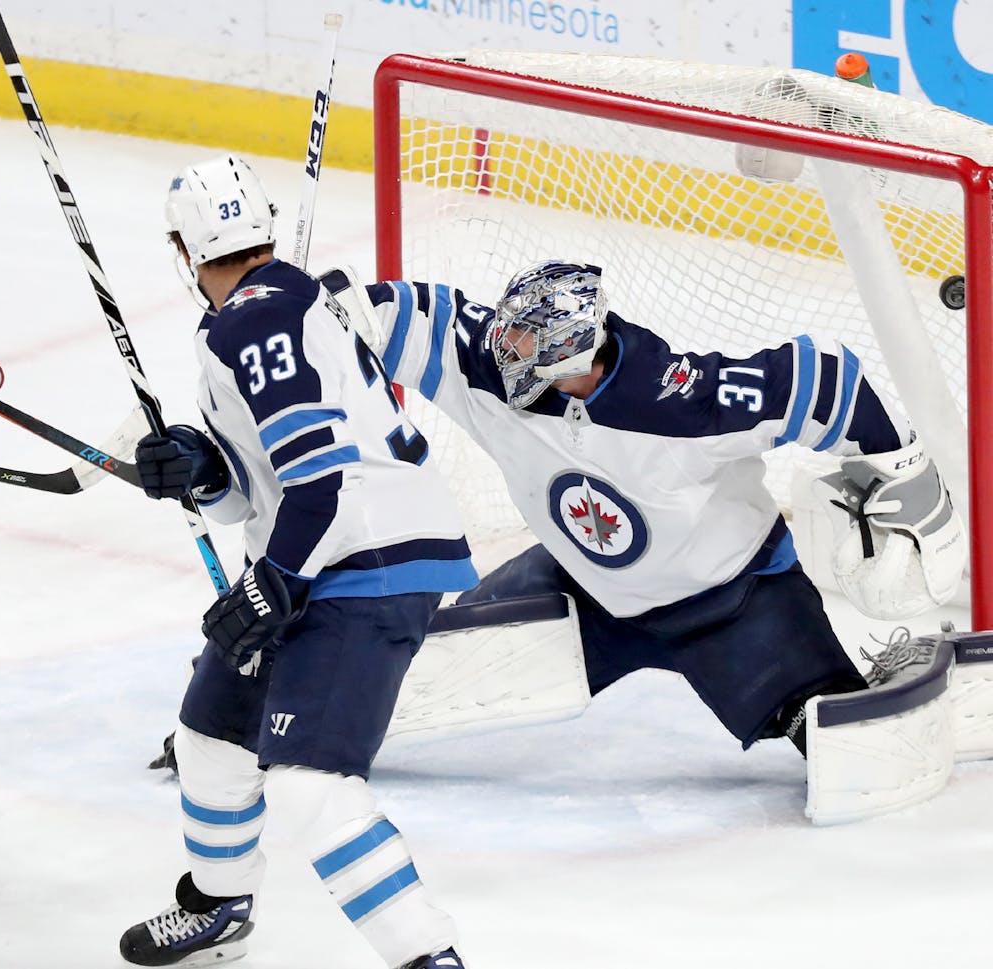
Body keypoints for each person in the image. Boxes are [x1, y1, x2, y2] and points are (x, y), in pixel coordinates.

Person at [323, 258, 965, 757]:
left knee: (844, 745)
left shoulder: (679, 403)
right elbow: (405, 314)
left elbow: (827, 382)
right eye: (509, 334)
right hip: (586, 590)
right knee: (436, 663)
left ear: (573, 353)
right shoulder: (488, 367)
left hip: (736, 604)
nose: (505, 350)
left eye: (526, 342)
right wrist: (321, 312)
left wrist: (904, 471)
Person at [122, 153, 477, 969]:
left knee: (310, 782)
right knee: (211, 733)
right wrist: (201, 466)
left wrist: (275, 582)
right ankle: (219, 903)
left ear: (184, 248)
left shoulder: (253, 320)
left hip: (364, 560)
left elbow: (321, 479)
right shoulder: (278, 304)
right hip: (332, 548)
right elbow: (262, 489)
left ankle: (428, 957)